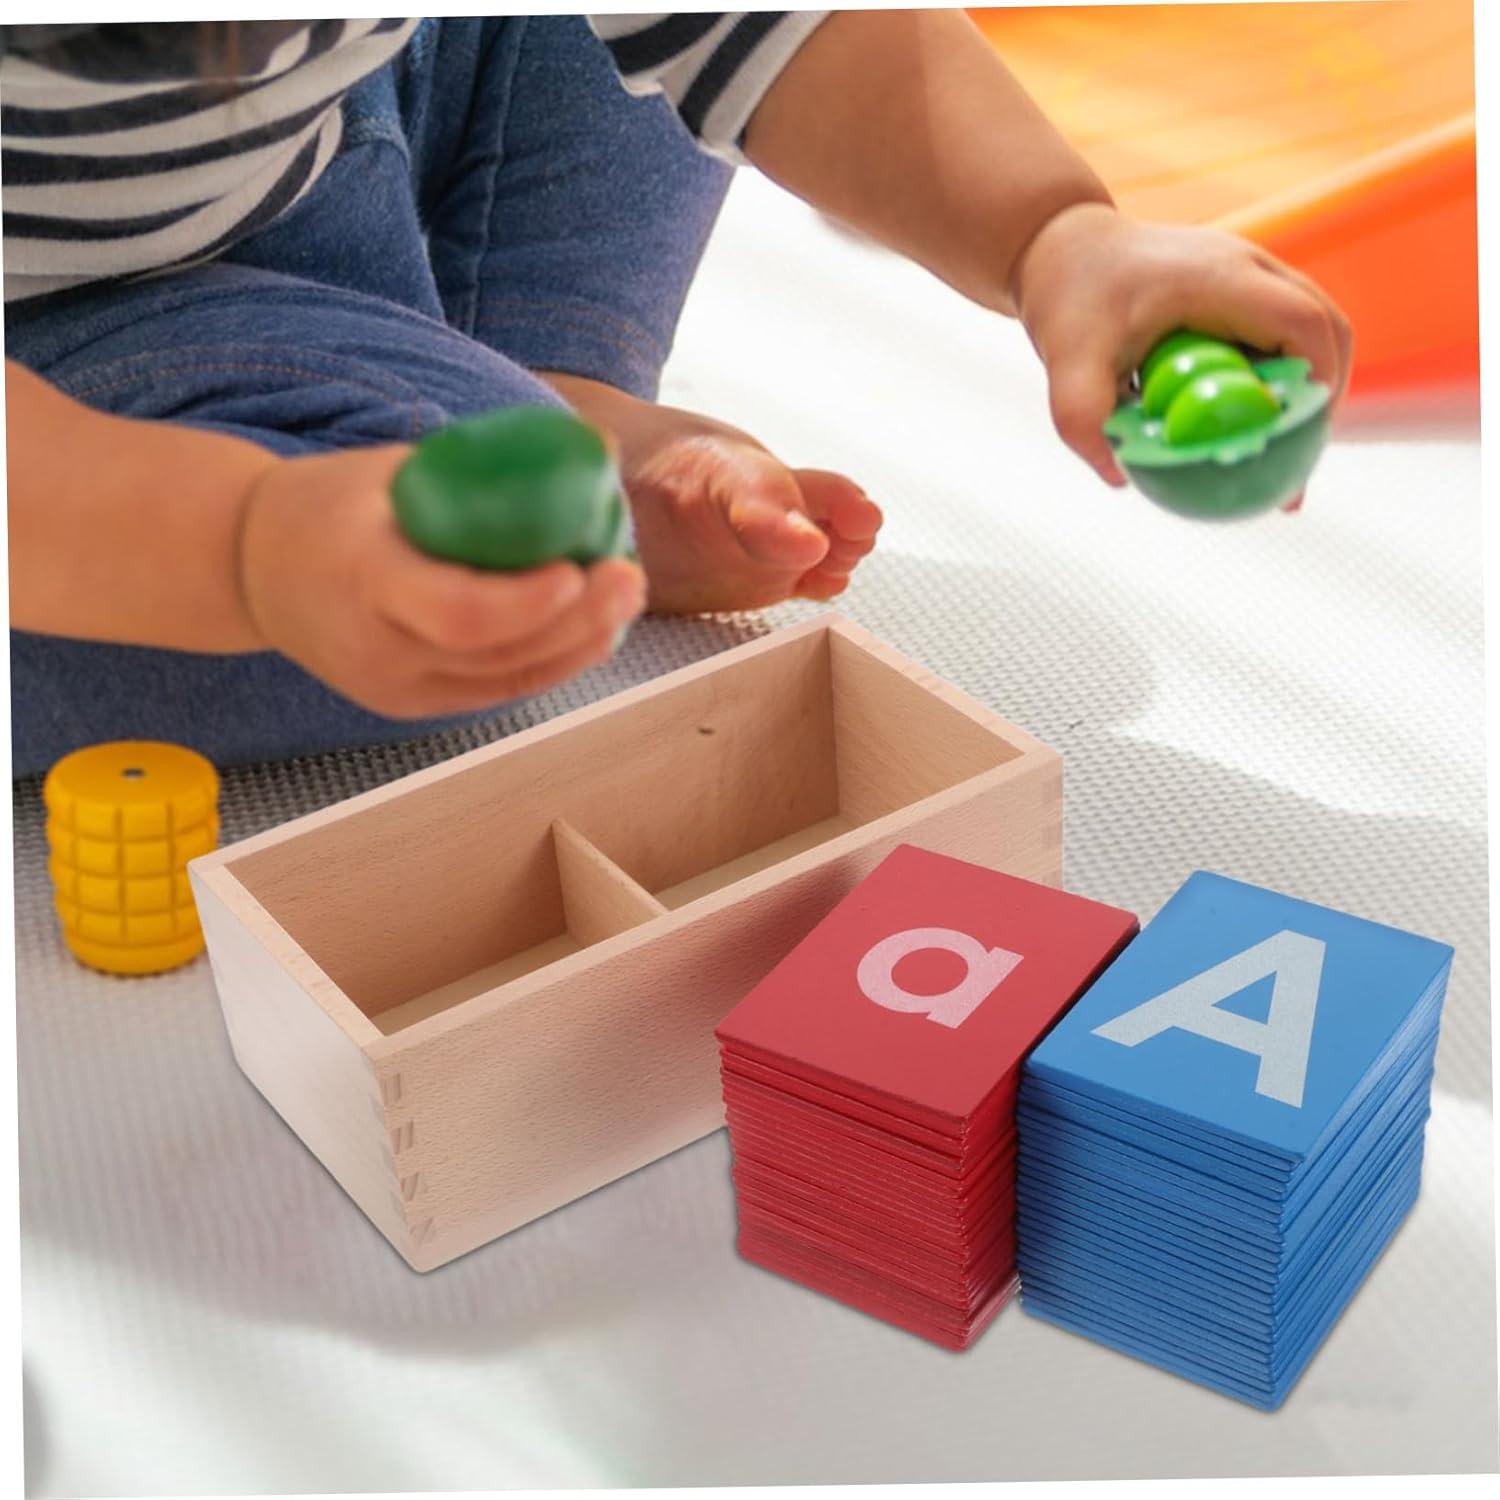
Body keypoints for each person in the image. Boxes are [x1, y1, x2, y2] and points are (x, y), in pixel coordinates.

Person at [3, 11, 1352, 775]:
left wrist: (1055, 238)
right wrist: (241, 546)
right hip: (61, 385)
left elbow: (784, 33)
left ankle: (562, 384)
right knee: (451, 578)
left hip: (319, 141)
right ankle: (454, 457)